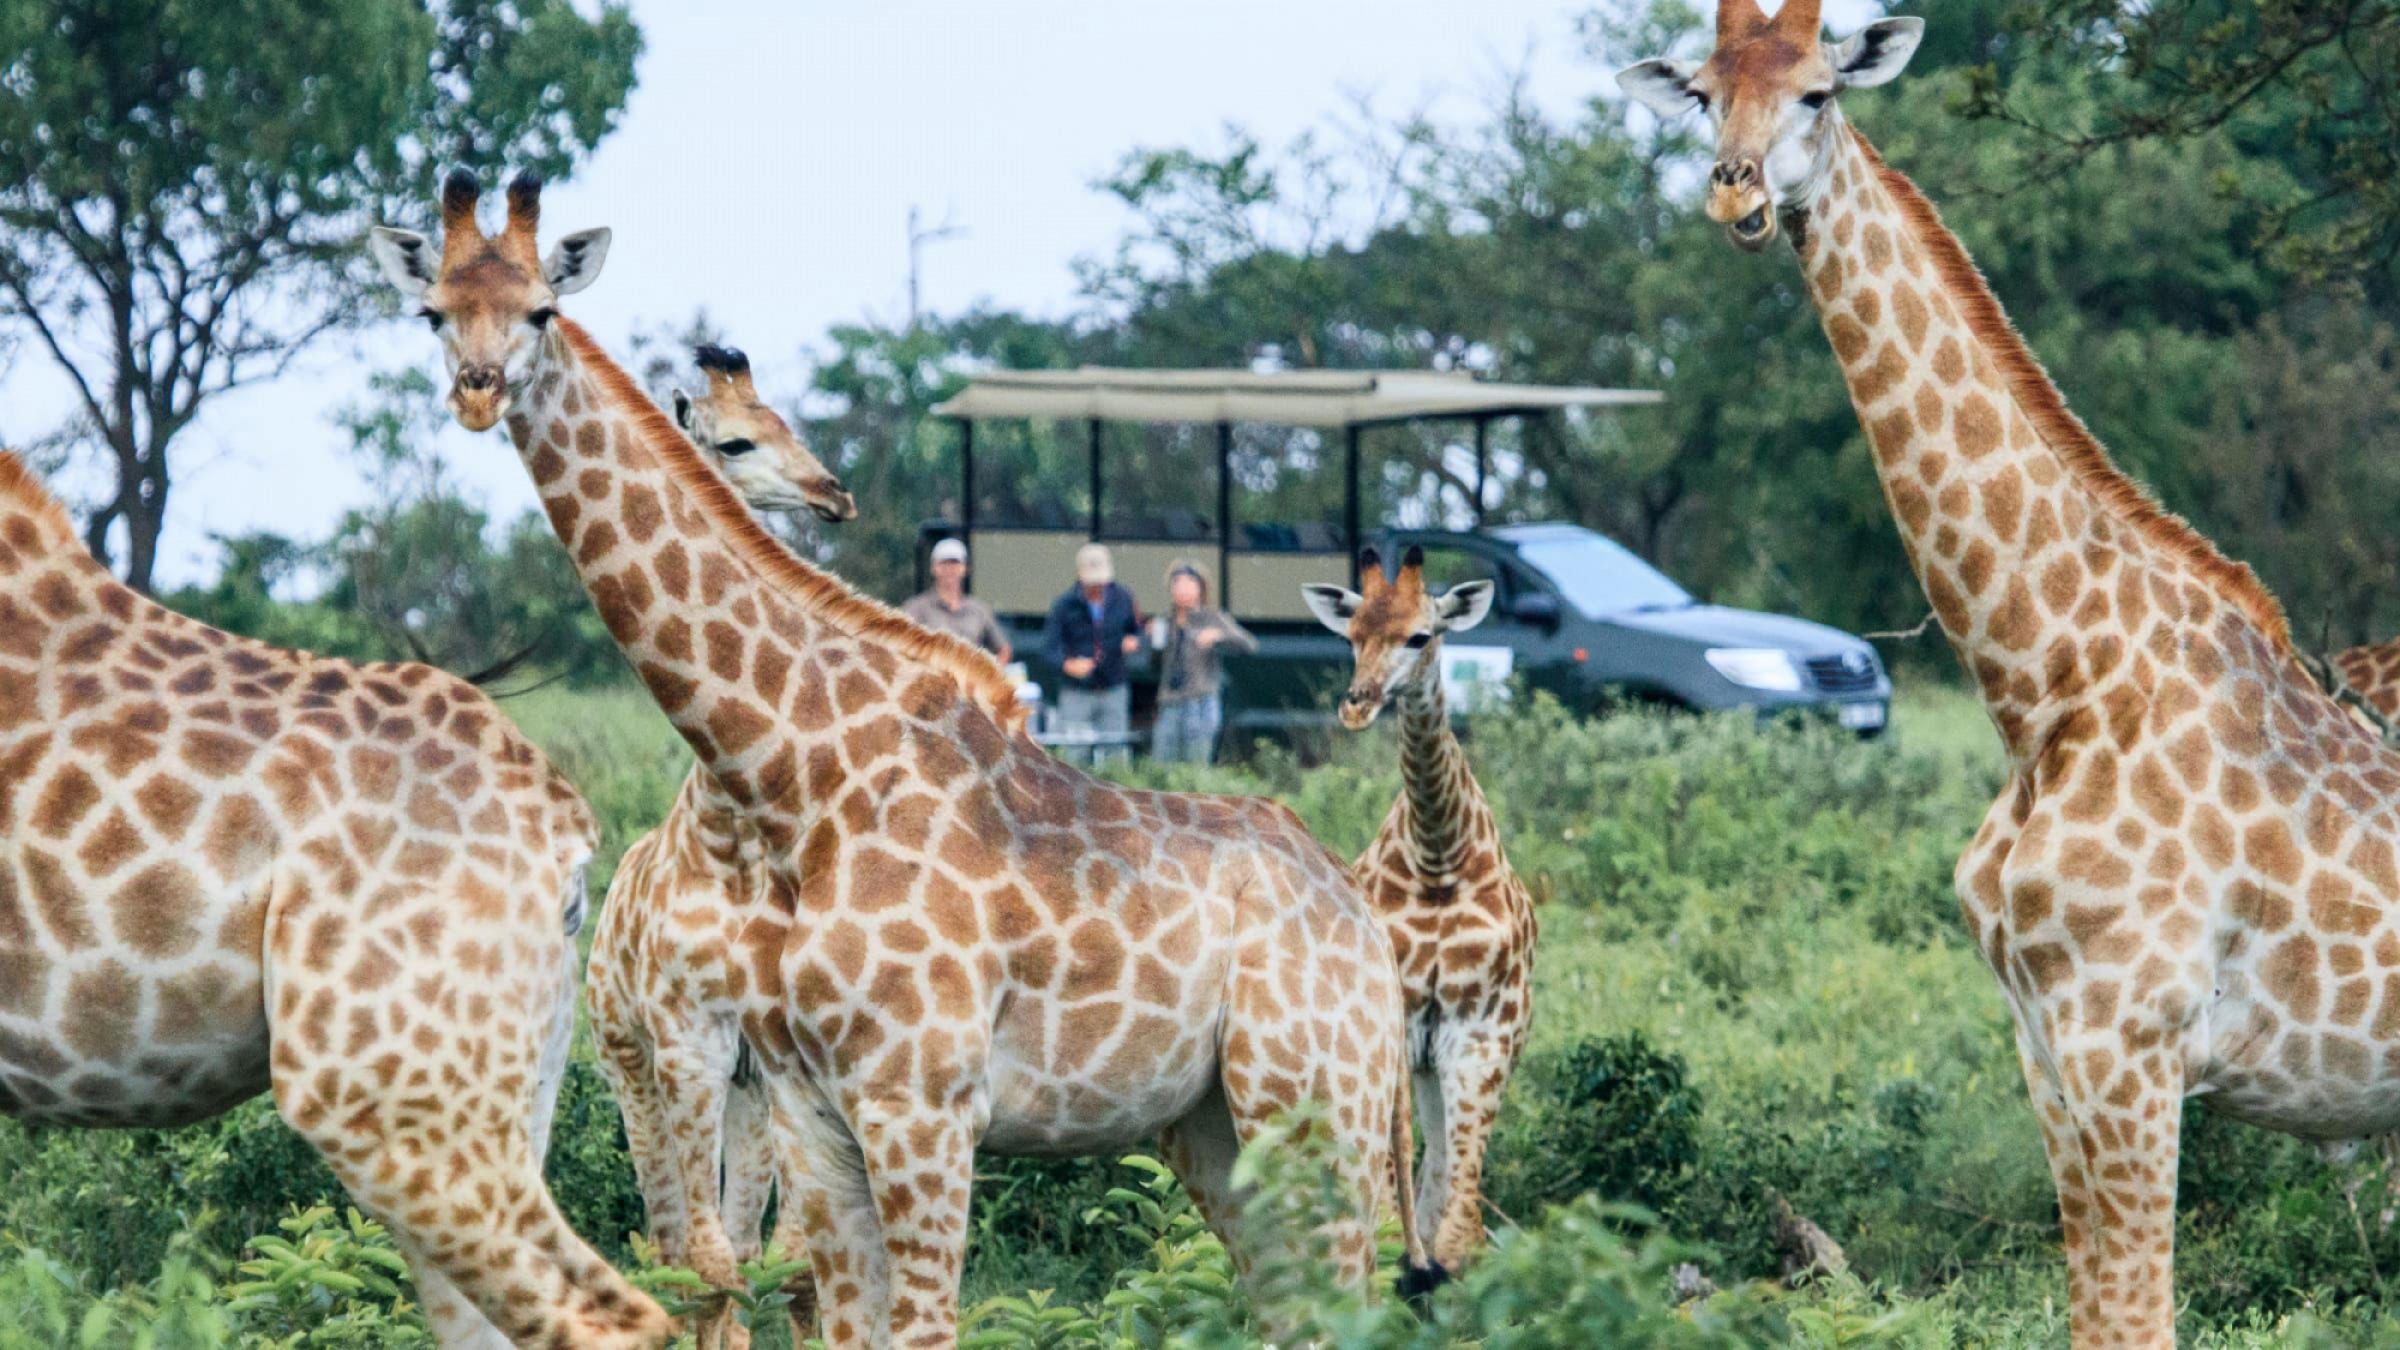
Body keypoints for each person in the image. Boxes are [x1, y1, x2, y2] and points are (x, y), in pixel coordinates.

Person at [1041, 543, 1142, 766]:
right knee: (1076, 754)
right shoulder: (1063, 605)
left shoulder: (1124, 598)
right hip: (1077, 690)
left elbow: (1137, 630)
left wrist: (1133, 641)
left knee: (1115, 751)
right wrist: (1068, 665)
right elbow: (1049, 649)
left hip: (1114, 686)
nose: (1097, 586)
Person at [1149, 561, 1256, 765]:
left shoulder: (1212, 617)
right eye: (1177, 583)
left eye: (1189, 583)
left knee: (1195, 764)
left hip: (1200, 701)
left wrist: (1220, 635)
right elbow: (1154, 665)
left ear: (1201, 588)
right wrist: (1154, 640)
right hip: (1170, 701)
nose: (1183, 589)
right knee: (1162, 762)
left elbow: (1248, 644)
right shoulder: (1165, 621)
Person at [903, 538, 1011, 662]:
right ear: (933, 568)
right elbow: (901, 644)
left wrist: (987, 676)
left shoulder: (980, 609)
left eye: (954, 563)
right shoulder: (916, 608)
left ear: (965, 568)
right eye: (943, 563)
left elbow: (1003, 649)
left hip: (969, 678)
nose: (949, 569)